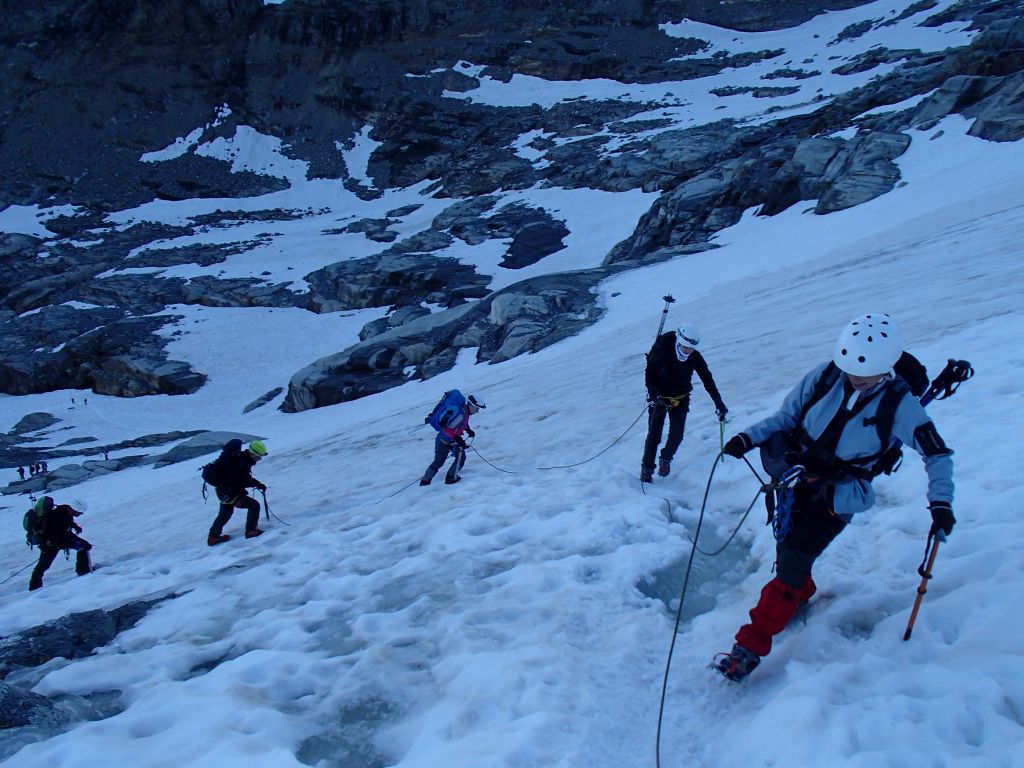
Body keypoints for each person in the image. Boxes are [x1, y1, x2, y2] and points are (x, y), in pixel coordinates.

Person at [714, 313, 954, 682]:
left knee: (792, 562)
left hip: (838, 496)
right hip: (795, 481)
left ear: (886, 367)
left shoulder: (900, 405)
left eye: (865, 374)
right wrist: (747, 438)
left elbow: (936, 453)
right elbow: (786, 418)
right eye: (851, 370)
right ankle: (798, 593)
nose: (855, 379)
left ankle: (748, 648)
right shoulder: (827, 376)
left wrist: (941, 503)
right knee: (788, 553)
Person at [641, 323, 728, 482]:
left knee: (677, 435)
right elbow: (650, 372)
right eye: (685, 348)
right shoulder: (662, 352)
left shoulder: (695, 357)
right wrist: (651, 394)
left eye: (691, 349)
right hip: (659, 399)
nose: (688, 351)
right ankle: (646, 469)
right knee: (654, 436)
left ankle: (665, 459)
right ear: (679, 342)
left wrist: (719, 404)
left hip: (680, 399)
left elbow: (707, 380)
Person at [207, 439, 268, 546]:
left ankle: (213, 537)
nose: (258, 459)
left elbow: (242, 478)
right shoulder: (240, 461)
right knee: (254, 506)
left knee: (225, 514)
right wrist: (257, 484)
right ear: (253, 453)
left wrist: (256, 484)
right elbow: (241, 479)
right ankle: (250, 530)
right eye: (258, 457)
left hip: (223, 491)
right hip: (230, 492)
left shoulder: (238, 459)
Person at [29, 496, 92, 591]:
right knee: (43, 565)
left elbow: (67, 524)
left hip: (57, 541)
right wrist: (72, 541)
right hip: (50, 544)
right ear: (75, 510)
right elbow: (59, 533)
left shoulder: (65, 510)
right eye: (80, 512)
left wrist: (75, 527)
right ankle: (34, 586)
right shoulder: (59, 515)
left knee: (84, 546)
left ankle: (83, 570)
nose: (80, 514)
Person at [421, 393, 486, 486]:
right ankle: (425, 482)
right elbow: (448, 429)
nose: (477, 411)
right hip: (444, 440)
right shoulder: (462, 413)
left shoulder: (465, 412)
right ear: (471, 405)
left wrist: (468, 429)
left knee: (461, 457)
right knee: (438, 462)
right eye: (476, 409)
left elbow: (460, 424)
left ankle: (451, 477)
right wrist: (458, 439)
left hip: (452, 441)